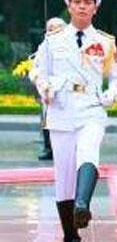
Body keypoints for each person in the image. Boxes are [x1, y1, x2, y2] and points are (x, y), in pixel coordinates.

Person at [32, 0, 117, 242]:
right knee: (63, 176)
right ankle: (71, 237)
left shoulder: (105, 42)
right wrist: (43, 86)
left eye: (88, 2)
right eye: (77, 1)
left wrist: (111, 95)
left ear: (95, 8)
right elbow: (38, 70)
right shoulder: (53, 39)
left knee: (88, 151)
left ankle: (82, 205)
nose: (82, 6)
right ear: (69, 7)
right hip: (61, 107)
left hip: (91, 107)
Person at [32, 17, 68, 161]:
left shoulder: (71, 44)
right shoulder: (44, 46)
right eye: (51, 28)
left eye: (58, 27)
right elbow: (36, 67)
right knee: (48, 119)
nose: (54, 30)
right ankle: (49, 148)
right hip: (48, 87)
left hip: (66, 87)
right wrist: (39, 81)